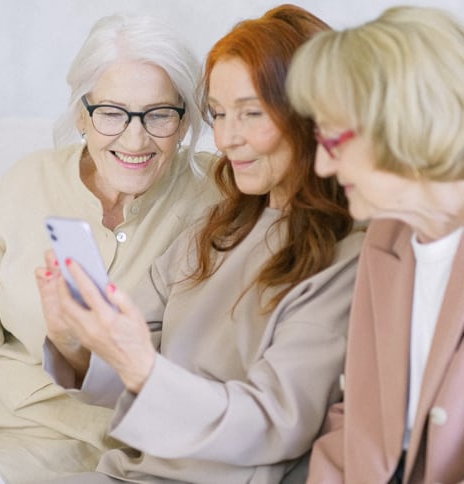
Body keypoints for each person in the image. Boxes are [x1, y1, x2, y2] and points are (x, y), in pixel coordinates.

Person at [37, 5, 364, 483]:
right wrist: (74, 339)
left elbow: (275, 423)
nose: (227, 139)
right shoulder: (217, 227)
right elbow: (126, 363)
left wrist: (140, 365)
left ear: (311, 113)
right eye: (218, 114)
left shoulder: (349, 256)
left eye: (251, 113)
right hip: (130, 472)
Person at [0, 13, 220, 484]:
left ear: (184, 121)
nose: (135, 139)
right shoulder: (27, 179)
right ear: (82, 114)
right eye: (112, 113)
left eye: (159, 113)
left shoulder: (217, 198)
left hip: (90, 447)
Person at [287, 5, 464, 483]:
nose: (322, 166)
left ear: (404, 121)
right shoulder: (387, 237)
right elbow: (358, 416)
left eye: (333, 139)